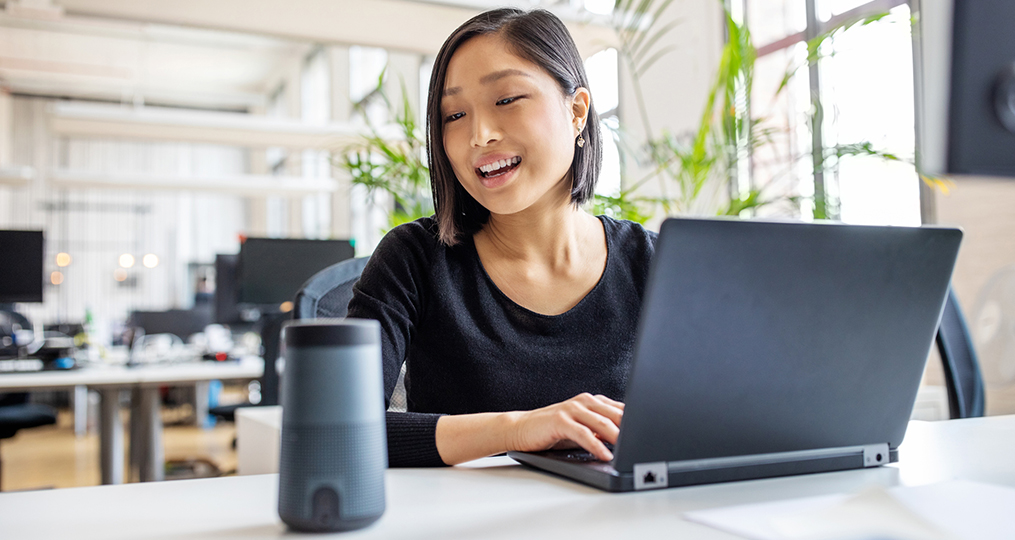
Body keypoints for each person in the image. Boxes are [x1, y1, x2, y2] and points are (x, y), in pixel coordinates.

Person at [347, 8, 657, 467]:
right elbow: (338, 428)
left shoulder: (655, 263)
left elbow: (722, 416)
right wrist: (517, 430)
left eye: (507, 99)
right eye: (454, 114)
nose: (479, 135)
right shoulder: (412, 260)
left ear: (576, 111)